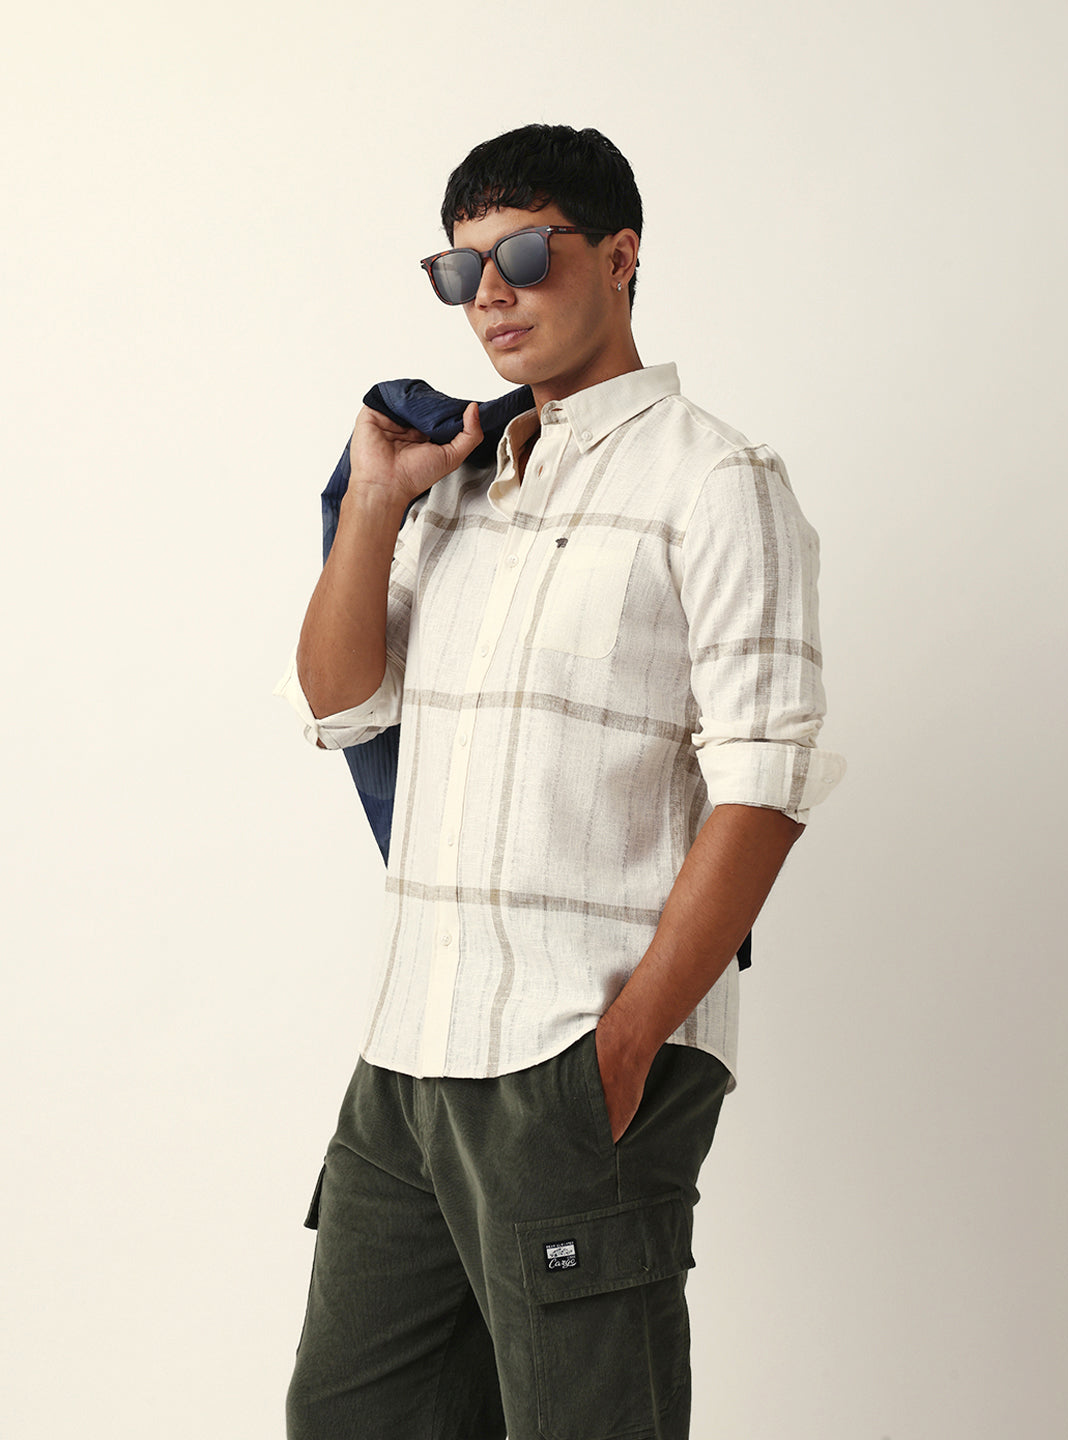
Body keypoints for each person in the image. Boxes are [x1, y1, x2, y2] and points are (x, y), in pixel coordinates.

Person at [276, 123, 844, 1440]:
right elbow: (341, 699)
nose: (489, 293)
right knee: (348, 1417)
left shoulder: (718, 484)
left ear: (621, 257)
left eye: (524, 254)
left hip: (572, 1055)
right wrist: (378, 500)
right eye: (459, 268)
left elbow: (764, 786)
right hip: (406, 1057)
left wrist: (628, 1044)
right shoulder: (458, 487)